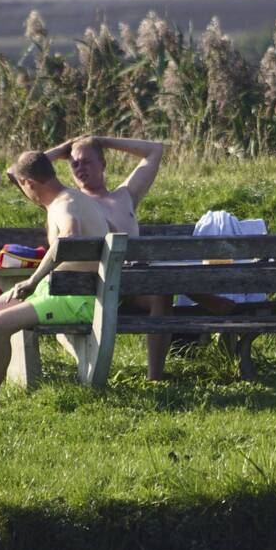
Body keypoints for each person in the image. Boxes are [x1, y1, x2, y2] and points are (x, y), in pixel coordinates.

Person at [0, 151, 109, 411]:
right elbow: (20, 172)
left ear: (29, 183)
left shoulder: (65, 205)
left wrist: (33, 279)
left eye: (22, 185)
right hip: (56, 291)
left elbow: (70, 235)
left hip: (76, 297)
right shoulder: (68, 198)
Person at [43, 136, 177, 379]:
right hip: (93, 287)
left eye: (87, 162)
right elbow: (20, 174)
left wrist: (102, 140)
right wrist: (60, 151)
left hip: (133, 284)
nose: (80, 168)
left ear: (103, 163)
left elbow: (155, 150)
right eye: (74, 164)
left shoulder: (124, 196)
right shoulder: (69, 201)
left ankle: (155, 376)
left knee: (164, 292)